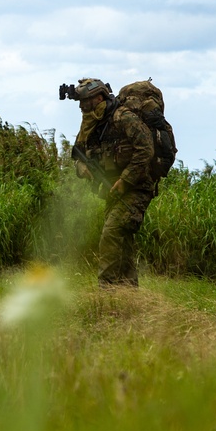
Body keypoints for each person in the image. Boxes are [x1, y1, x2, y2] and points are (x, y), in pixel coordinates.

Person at [72, 78, 155, 287]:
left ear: (99, 98)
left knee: (112, 232)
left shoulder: (123, 118)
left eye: (86, 101)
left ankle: (106, 291)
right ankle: (128, 293)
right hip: (113, 189)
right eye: (80, 102)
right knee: (123, 238)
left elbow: (146, 149)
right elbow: (78, 156)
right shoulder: (91, 124)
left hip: (137, 187)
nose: (82, 106)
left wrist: (125, 180)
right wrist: (84, 169)